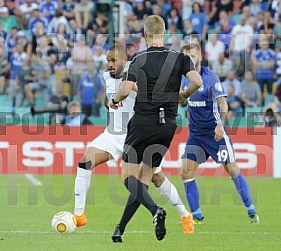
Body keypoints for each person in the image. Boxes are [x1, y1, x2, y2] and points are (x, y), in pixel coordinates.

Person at [74, 43, 199, 239]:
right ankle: (79, 215)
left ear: (126, 60)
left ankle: (185, 215)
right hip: (112, 134)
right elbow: (111, 99)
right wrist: (109, 102)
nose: (110, 64)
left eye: (114, 60)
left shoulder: (137, 74)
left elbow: (148, 95)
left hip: (135, 134)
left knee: (156, 178)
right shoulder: (107, 76)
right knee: (85, 162)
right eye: (108, 61)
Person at [109, 15, 202, 242]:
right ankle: (120, 229)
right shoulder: (180, 57)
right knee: (143, 179)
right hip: (167, 126)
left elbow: (125, 89)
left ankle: (156, 210)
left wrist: (114, 99)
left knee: (127, 177)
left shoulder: (139, 58)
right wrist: (183, 95)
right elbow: (198, 82)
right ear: (165, 33)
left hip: (142, 123)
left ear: (145, 35)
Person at [180, 42, 259, 225]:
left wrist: (220, 124)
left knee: (231, 169)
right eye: (186, 57)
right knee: (185, 172)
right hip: (196, 135)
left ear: (200, 56)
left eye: (192, 56)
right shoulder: (183, 77)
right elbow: (179, 97)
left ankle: (251, 211)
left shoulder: (210, 77)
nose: (189, 60)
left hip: (215, 132)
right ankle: (196, 216)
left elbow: (223, 103)